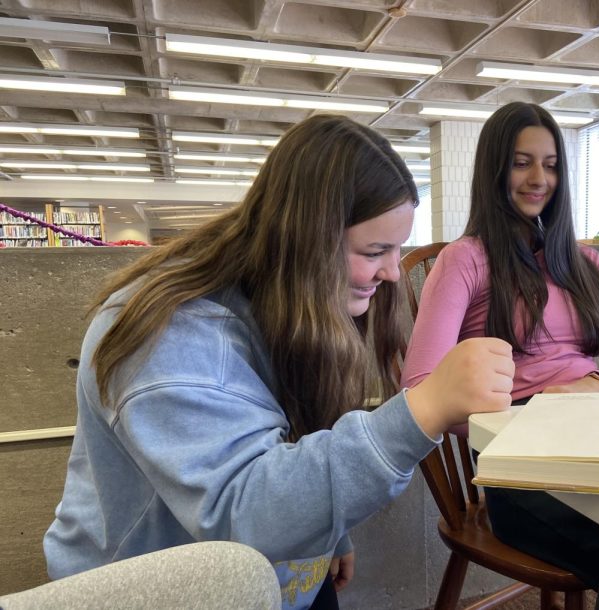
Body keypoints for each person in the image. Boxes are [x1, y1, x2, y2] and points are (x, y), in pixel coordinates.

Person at [44, 115, 515, 610]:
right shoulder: (169, 334)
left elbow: (294, 435)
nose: (393, 272)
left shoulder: (289, 297)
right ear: (308, 239)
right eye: (375, 250)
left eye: (397, 249)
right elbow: (241, 514)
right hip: (158, 591)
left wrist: (328, 532)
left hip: (277, 567)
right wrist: (422, 411)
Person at [401, 102, 599, 608]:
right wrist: (527, 418)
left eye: (551, 164)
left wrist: (591, 387)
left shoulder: (586, 263)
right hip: (520, 467)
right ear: (494, 169)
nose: (539, 178)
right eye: (521, 162)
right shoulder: (466, 259)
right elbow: (420, 388)